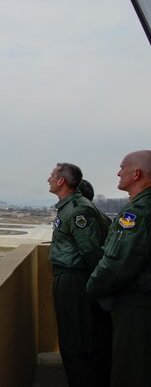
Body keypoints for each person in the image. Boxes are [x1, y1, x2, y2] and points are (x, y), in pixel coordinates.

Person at [87, 150, 151, 386]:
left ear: (137, 174)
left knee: (131, 369)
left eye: (122, 167)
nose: (118, 172)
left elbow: (119, 262)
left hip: (137, 303)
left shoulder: (138, 212)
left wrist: (93, 287)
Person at [47, 162, 112, 386]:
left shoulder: (78, 210)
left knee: (78, 337)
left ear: (62, 181)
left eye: (52, 175)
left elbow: (92, 251)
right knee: (71, 334)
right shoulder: (69, 207)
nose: (49, 179)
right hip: (69, 278)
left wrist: (100, 287)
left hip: (75, 280)